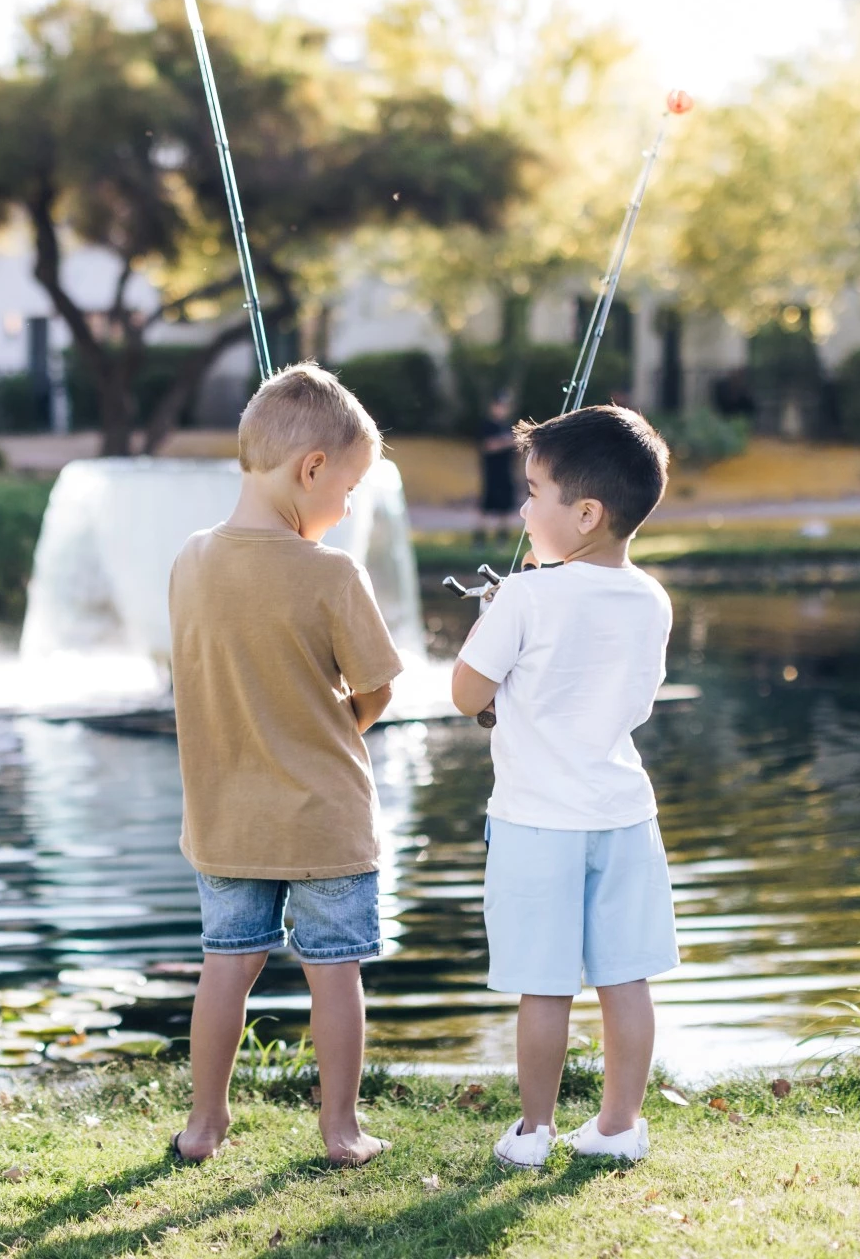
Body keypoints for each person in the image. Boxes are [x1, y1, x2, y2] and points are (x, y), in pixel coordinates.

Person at [168, 362, 404, 1169]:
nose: (345, 510)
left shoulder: (190, 561)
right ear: (311, 470)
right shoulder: (334, 573)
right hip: (326, 817)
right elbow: (376, 691)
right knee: (334, 972)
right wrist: (337, 719)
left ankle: (205, 1124)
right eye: (349, 490)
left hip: (225, 817)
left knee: (225, 966)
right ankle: (341, 1130)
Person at [449, 405, 679, 1168]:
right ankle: (619, 1127)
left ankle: (535, 1131)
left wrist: (492, 618)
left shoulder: (523, 595)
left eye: (534, 491)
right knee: (625, 978)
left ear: (585, 513)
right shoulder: (652, 598)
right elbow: (630, 697)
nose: (522, 508)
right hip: (622, 815)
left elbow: (465, 691)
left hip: (534, 823)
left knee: (544, 987)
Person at [476, 391, 520, 536]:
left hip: (506, 471)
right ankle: (480, 537)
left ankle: (502, 536)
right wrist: (507, 442)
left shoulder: (508, 426)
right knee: (487, 507)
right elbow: (488, 446)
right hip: (492, 472)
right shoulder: (487, 425)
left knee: (505, 507)